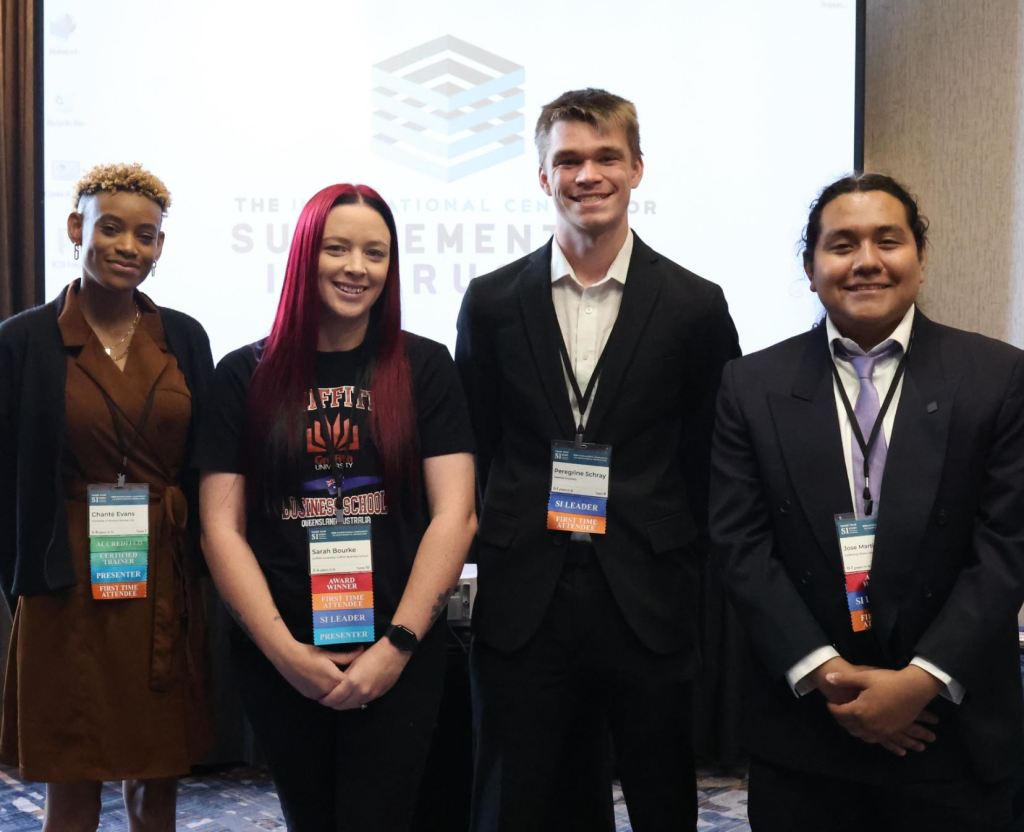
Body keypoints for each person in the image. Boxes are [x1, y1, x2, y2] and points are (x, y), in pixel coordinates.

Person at [455, 88, 740, 831]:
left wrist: (683, 560)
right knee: (517, 800)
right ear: (543, 177)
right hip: (525, 597)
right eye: (569, 160)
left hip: (648, 594)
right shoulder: (490, 302)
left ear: (637, 169)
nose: (589, 175)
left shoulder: (695, 304)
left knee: (661, 797)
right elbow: (477, 443)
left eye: (607, 157)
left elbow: (711, 455)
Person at [710, 173, 1024, 831]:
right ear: (810, 267)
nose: (866, 261)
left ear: (920, 256)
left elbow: (1008, 544)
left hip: (951, 729)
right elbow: (740, 545)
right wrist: (829, 675)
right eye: (842, 244)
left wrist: (919, 682)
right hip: (808, 730)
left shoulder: (998, 377)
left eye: (888, 240)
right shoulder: (751, 384)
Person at [198, 183, 476, 832]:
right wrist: (284, 652)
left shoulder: (425, 367)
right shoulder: (243, 376)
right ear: (305, 253)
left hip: (400, 648)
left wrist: (396, 646)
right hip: (283, 651)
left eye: (375, 253)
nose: (357, 267)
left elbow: (456, 514)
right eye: (337, 248)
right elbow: (219, 528)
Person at [0, 162, 213, 831]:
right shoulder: (23, 341)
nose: (128, 247)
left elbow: (204, 461)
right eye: (111, 228)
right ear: (76, 228)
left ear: (160, 246)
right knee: (73, 775)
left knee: (158, 776)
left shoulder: (183, 337)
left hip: (163, 577)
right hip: (65, 581)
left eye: (146, 236)